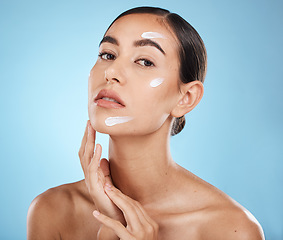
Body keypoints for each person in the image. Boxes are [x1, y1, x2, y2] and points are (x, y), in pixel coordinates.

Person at [27, 6, 265, 240]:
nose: (111, 72)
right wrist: (110, 229)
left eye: (144, 62)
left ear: (186, 98)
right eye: (107, 55)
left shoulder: (231, 229)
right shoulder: (52, 211)